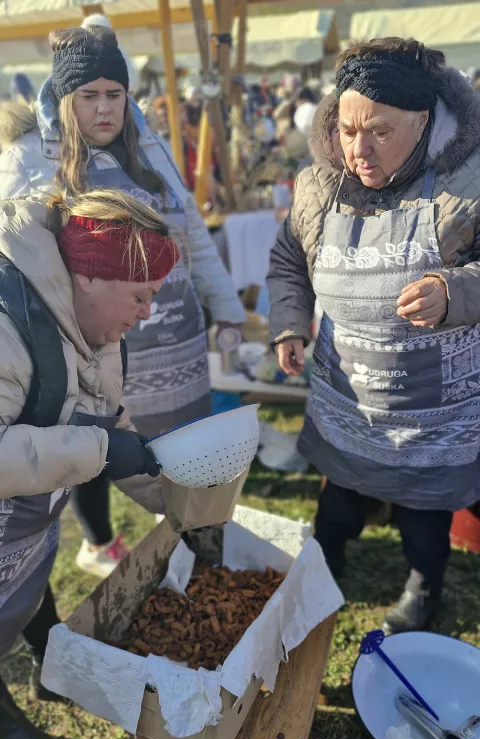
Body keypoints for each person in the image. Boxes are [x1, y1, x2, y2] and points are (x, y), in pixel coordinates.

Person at [0, 25, 245, 576]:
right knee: (92, 437)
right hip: (86, 344)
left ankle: (190, 533)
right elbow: (18, 251)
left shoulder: (150, 147)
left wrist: (224, 304)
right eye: (89, 96)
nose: (105, 110)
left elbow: (192, 235)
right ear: (64, 100)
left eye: (116, 95)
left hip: (170, 338)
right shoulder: (32, 160)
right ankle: (100, 537)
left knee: (161, 449)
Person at [268, 37, 480, 634]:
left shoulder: (467, 183)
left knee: (423, 508)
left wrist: (452, 291)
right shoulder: (319, 185)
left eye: (380, 132)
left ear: (423, 119)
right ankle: (324, 566)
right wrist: (289, 321)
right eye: (347, 128)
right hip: (349, 396)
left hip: (431, 408)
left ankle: (423, 585)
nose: (358, 149)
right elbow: (289, 259)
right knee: (338, 501)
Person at [0, 187, 179, 739]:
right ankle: (6, 720)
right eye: (141, 295)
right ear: (91, 278)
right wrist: (99, 451)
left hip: (26, 525)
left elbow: (106, 417)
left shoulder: (94, 329)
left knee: (30, 586)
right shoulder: (8, 331)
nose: (147, 312)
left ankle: (54, 666)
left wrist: (170, 493)